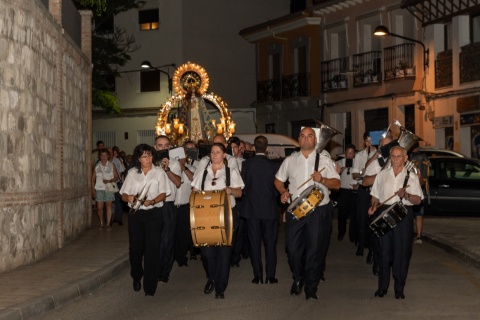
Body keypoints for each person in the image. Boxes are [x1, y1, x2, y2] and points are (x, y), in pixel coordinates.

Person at [274, 127, 340, 300]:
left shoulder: (325, 159)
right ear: (298, 139)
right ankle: (298, 277)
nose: (305, 139)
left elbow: (337, 184)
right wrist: (282, 191)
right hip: (295, 211)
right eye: (302, 136)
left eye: (310, 136)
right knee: (293, 249)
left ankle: (311, 286)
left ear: (315, 140)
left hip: (319, 210)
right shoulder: (290, 160)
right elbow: (278, 180)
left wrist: (323, 180)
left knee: (315, 250)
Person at [368, 146, 423, 299]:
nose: (396, 159)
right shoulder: (382, 175)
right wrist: (373, 208)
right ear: (390, 158)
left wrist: (406, 195)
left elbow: (418, 200)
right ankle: (382, 287)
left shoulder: (411, 177)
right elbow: (375, 196)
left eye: (399, 156)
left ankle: (399, 288)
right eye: (393, 156)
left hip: (403, 214)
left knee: (402, 253)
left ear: (405, 158)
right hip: (385, 212)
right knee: (384, 253)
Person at [191, 142, 244, 299]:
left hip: (226, 215)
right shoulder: (203, 172)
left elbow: (240, 193)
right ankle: (212, 277)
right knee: (207, 253)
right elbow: (194, 191)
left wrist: (230, 190)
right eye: (212, 152)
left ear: (224, 154)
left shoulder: (230, 172)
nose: (214, 155)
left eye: (218, 152)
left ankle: (220, 287)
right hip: (206, 216)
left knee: (224, 252)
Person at [120, 144, 170, 296]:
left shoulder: (159, 172)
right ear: (138, 159)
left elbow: (164, 193)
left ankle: (150, 285)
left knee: (152, 249)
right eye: (145, 156)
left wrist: (153, 201)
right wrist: (129, 197)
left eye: (150, 155)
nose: (148, 159)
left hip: (154, 213)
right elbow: (123, 194)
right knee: (135, 249)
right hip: (136, 214)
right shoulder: (132, 173)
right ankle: (136, 275)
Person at [241, 135, 280, 284]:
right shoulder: (274, 166)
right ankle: (270, 276)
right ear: (267, 149)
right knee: (270, 244)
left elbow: (243, 187)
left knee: (254, 243)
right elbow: (277, 189)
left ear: (253, 148)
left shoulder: (246, 165)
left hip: (251, 210)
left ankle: (257, 276)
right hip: (269, 209)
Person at [361, 136, 392, 273]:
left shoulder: (399, 162)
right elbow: (365, 182)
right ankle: (377, 258)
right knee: (377, 235)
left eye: (389, 145)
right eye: (383, 146)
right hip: (378, 202)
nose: (387, 149)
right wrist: (381, 175)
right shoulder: (376, 164)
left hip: (393, 204)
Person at [154, 135, 182, 283]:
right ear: (155, 147)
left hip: (168, 204)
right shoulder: (150, 162)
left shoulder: (175, 163)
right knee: (154, 239)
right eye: (160, 145)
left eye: (166, 145)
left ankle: (165, 271)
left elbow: (178, 182)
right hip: (153, 204)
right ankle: (154, 268)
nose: (163, 148)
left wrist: (167, 169)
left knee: (167, 240)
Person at [174, 141, 196, 267]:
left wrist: (184, 168)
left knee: (183, 234)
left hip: (185, 206)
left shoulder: (191, 168)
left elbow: (195, 180)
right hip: (172, 206)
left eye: (182, 156)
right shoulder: (170, 169)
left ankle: (181, 258)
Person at [92, 148, 119, 230]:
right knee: (99, 207)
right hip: (99, 188)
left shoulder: (111, 165)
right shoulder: (97, 166)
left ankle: (108, 224)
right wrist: (92, 190)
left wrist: (110, 180)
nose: (103, 157)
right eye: (102, 155)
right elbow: (92, 179)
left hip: (108, 188)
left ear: (108, 156)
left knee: (109, 206)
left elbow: (116, 177)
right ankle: (101, 222)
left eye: (105, 155)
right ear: (100, 156)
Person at [335, 144, 358, 242]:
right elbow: (334, 174)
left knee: (354, 215)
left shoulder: (357, 163)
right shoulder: (340, 162)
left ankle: (352, 235)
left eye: (351, 153)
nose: (349, 155)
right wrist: (341, 170)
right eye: (348, 153)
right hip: (343, 191)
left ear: (354, 154)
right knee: (342, 215)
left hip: (353, 192)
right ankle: (341, 232)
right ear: (345, 154)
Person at [408, 143, 429, 244]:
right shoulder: (423, 156)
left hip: (410, 189)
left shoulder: (408, 157)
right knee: (419, 214)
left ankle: (410, 235)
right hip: (420, 188)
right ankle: (419, 236)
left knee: (410, 213)